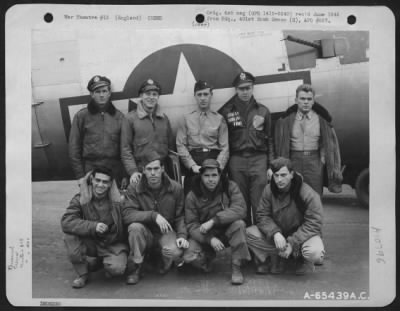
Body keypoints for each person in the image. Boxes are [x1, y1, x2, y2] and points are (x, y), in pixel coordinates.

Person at [246, 157, 325, 275]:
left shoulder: (307, 193)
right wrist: (275, 233)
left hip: (301, 237)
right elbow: (262, 215)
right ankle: (276, 257)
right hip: (279, 236)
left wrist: (293, 242)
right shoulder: (269, 190)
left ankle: (302, 259)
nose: (279, 179)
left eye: (283, 175)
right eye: (276, 175)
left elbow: (314, 223)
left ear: (292, 174)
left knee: (314, 252)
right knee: (247, 233)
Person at [122, 150, 189, 285]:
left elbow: (180, 216)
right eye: (149, 169)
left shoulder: (175, 188)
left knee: (175, 252)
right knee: (135, 228)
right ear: (143, 170)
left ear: (162, 169)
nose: (153, 173)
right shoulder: (134, 188)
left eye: (156, 169)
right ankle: (137, 267)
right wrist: (153, 216)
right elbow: (127, 214)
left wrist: (182, 235)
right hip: (145, 232)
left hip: (166, 233)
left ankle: (158, 257)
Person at [219, 71, 274, 225]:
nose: (245, 92)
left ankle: (260, 242)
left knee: (260, 203)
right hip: (237, 160)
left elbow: (270, 140)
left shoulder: (263, 111)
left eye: (247, 88)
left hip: (259, 159)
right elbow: (224, 141)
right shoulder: (227, 112)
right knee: (240, 204)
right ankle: (244, 243)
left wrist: (270, 165)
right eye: (241, 89)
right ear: (236, 90)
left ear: (252, 88)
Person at [184, 159, 251, 285]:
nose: (211, 179)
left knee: (239, 224)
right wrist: (209, 239)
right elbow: (191, 225)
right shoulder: (192, 195)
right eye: (206, 175)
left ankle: (236, 267)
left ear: (220, 175)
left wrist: (215, 220)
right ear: (201, 176)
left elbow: (241, 209)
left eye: (214, 175)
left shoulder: (230, 187)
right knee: (188, 256)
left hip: (227, 232)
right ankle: (207, 257)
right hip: (205, 235)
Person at [61, 166, 128, 288]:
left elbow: (130, 219)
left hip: (111, 243)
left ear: (110, 184)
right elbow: (66, 222)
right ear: (91, 179)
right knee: (70, 236)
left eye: (105, 182)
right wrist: (93, 226)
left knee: (117, 269)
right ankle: (83, 274)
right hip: (90, 240)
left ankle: (102, 263)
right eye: (98, 180)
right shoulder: (80, 199)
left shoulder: (119, 200)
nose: (100, 185)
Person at [274, 83, 342, 195]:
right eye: (302, 99)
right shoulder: (286, 120)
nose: (306, 102)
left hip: (314, 162)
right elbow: (279, 142)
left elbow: (330, 142)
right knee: (293, 196)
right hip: (293, 161)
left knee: (314, 197)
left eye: (309, 99)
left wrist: (323, 158)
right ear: (296, 100)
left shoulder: (322, 120)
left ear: (313, 101)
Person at [69, 75, 126, 187]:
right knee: (91, 203)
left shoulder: (119, 117)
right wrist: (80, 176)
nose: (101, 95)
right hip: (91, 171)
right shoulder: (81, 116)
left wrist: (124, 174)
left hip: (114, 170)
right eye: (97, 91)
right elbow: (73, 148)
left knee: (116, 203)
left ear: (109, 93)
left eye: (104, 91)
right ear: (92, 94)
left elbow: (125, 148)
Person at [176, 80, 229, 195]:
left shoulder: (219, 119)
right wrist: (192, 165)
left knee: (217, 199)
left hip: (213, 159)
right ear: (194, 96)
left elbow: (225, 147)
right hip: (194, 161)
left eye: (206, 94)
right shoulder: (185, 119)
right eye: (199, 95)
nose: (203, 98)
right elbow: (181, 145)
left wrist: (218, 167)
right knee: (192, 199)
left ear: (211, 96)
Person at [121, 78, 175, 186]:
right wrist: (133, 172)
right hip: (141, 172)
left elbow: (171, 149)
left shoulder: (164, 119)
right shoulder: (130, 119)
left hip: (162, 172)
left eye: (154, 94)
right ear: (141, 96)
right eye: (147, 94)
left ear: (158, 97)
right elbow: (125, 149)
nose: (151, 97)